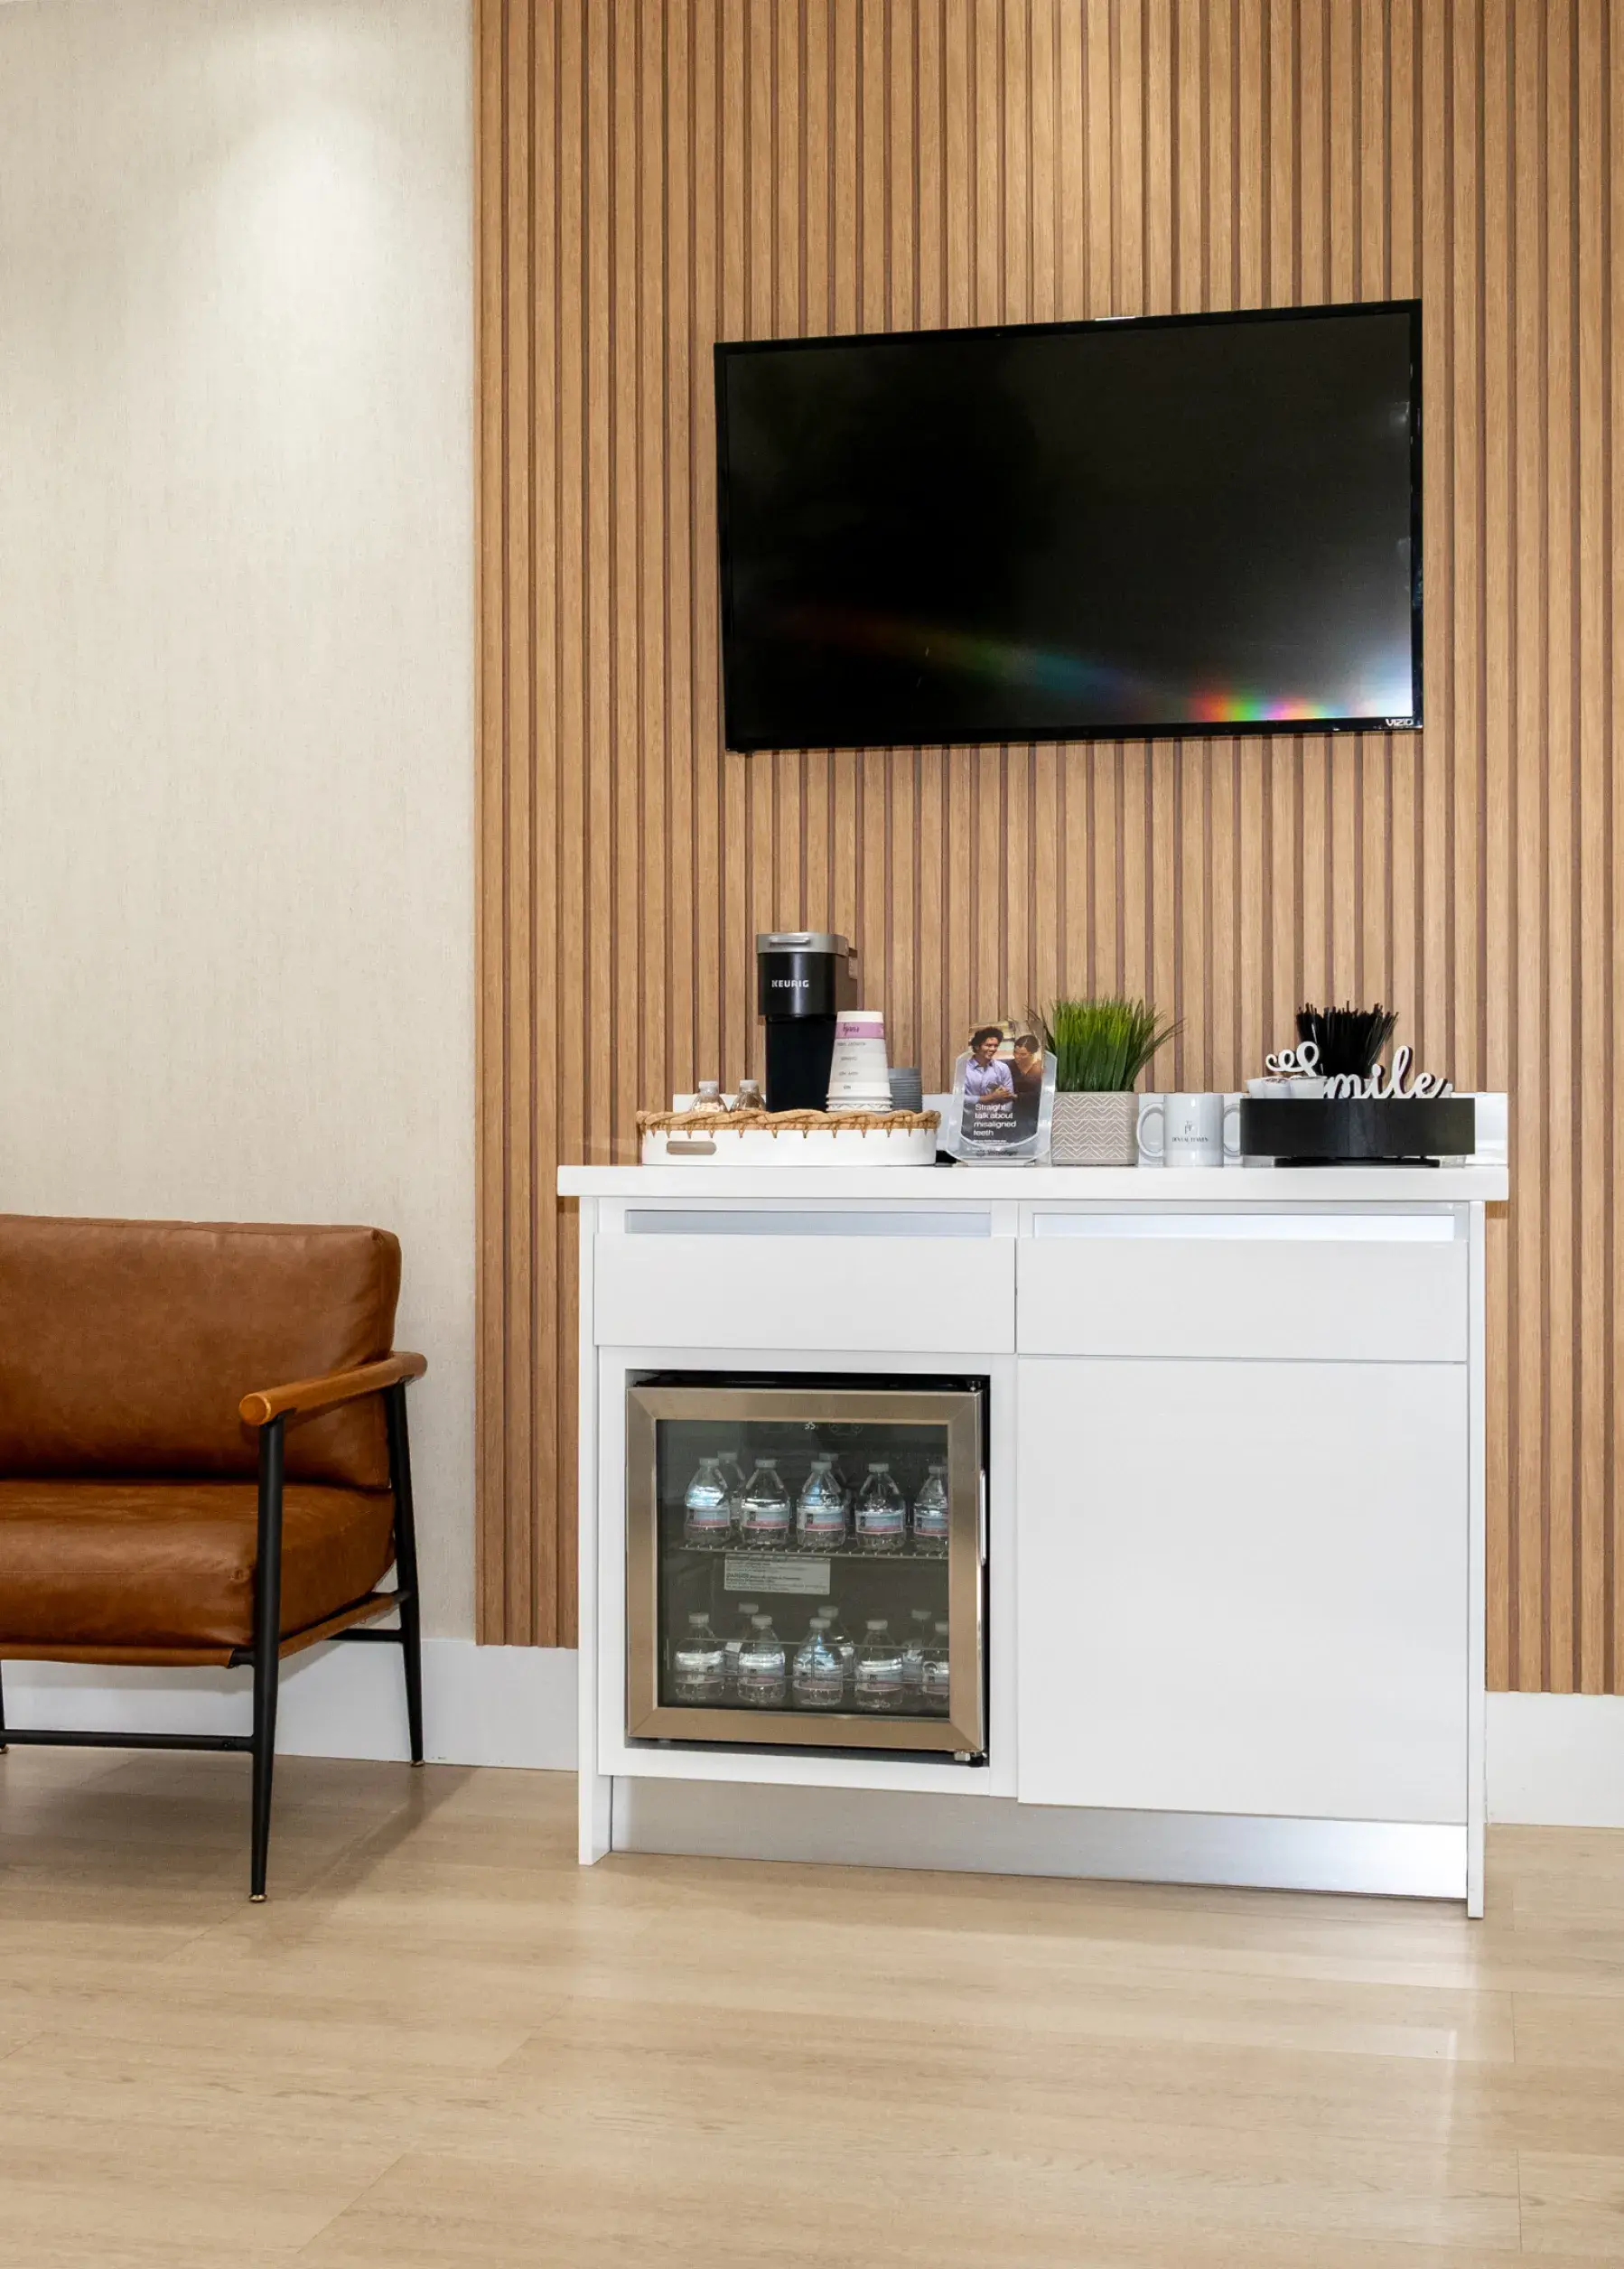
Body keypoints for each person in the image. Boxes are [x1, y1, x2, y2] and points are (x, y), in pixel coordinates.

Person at [962, 1026, 1013, 1100]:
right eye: (988, 1045)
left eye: (996, 1046)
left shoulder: (1003, 1068)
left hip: (996, 1111)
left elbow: (1009, 1098)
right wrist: (989, 1098)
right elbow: (958, 1098)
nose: (993, 1049)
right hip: (971, 1111)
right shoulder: (964, 1069)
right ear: (977, 1046)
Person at [1010, 1034, 1045, 1100]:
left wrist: (1016, 1096)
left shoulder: (1040, 1068)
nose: (1017, 1056)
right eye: (1015, 1052)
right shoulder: (1008, 1066)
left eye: (1023, 1054)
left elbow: (1042, 1093)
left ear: (1032, 1053)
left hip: (1034, 1107)